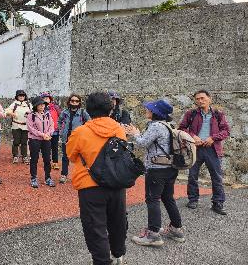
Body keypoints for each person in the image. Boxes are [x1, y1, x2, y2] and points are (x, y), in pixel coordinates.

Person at [66, 92, 127, 265]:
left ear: (88, 109)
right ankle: (118, 254)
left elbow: (71, 155)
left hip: (89, 184)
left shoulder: (81, 131)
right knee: (117, 220)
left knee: (95, 226)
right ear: (110, 108)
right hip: (116, 181)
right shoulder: (118, 129)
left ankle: (101, 261)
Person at [124, 99, 185, 247]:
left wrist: (135, 133)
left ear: (155, 112)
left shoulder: (156, 126)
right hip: (171, 168)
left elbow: (142, 143)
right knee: (168, 197)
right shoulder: (169, 125)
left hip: (157, 168)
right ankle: (177, 229)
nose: (147, 110)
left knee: (152, 199)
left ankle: (153, 234)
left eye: (149, 109)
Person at [179, 90, 230, 215]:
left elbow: (226, 131)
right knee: (192, 176)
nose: (200, 101)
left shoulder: (218, 114)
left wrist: (213, 138)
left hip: (213, 149)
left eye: (202, 98)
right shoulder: (191, 114)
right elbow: (182, 128)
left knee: (217, 177)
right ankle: (193, 200)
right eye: (197, 99)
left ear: (209, 99)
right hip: (195, 148)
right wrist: (193, 136)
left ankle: (218, 203)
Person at [58, 94, 90, 184]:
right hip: (66, 138)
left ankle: (80, 176)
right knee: (65, 157)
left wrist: (84, 133)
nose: (74, 102)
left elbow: (90, 123)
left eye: (76, 101)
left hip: (78, 139)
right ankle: (64, 175)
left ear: (79, 102)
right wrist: (61, 131)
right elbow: (59, 121)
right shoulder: (64, 112)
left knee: (80, 158)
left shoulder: (83, 112)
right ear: (69, 101)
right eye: (72, 101)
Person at [27, 96, 55, 188]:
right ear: (36, 106)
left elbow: (52, 125)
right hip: (35, 139)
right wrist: (42, 134)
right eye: (40, 105)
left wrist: (48, 133)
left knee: (47, 159)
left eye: (43, 104)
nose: (42, 106)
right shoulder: (31, 115)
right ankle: (33, 178)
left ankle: (48, 178)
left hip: (46, 139)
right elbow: (31, 128)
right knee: (34, 159)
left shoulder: (47, 114)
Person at [5, 90, 31, 164]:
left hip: (25, 126)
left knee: (24, 142)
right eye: (20, 96)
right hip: (16, 125)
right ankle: (15, 156)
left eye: (23, 95)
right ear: (17, 97)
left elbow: (33, 112)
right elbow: (6, 111)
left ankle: (24, 156)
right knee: (16, 141)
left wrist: (29, 113)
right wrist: (12, 113)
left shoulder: (28, 104)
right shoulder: (14, 104)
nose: (21, 97)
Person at [40, 92, 62, 170]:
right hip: (46, 131)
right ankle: (47, 162)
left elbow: (61, 116)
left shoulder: (55, 107)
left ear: (50, 99)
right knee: (47, 147)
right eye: (44, 98)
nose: (46, 99)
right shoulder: (40, 108)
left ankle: (55, 162)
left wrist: (61, 126)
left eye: (47, 98)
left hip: (55, 130)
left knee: (55, 147)